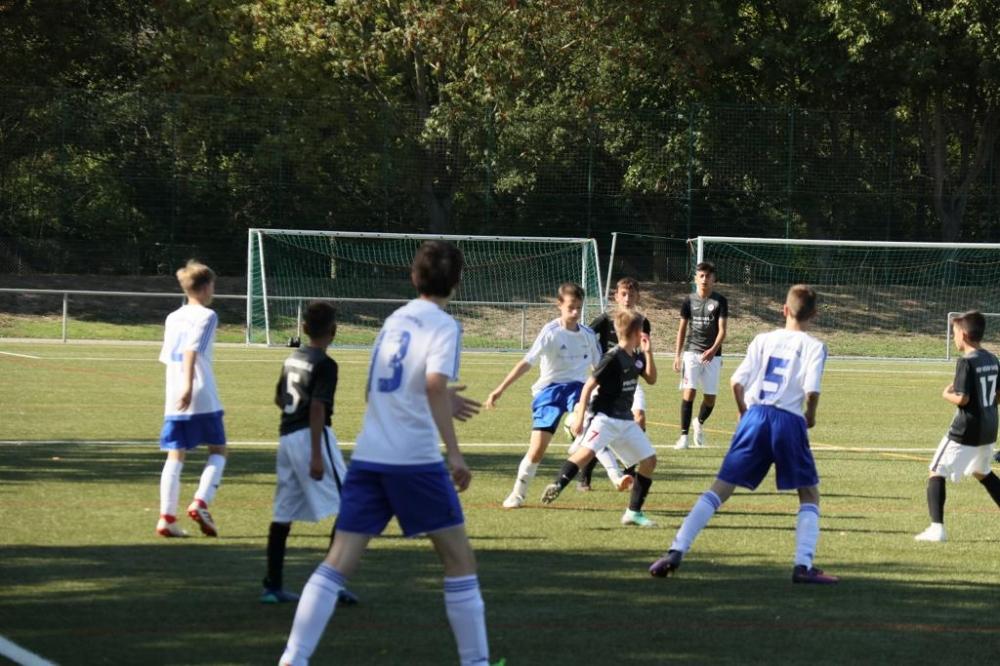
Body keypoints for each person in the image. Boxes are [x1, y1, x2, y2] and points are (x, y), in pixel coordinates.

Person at [278, 241, 497, 666]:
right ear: (458, 282)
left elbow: (374, 389)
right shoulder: (444, 325)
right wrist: (454, 454)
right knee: (459, 561)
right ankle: (476, 662)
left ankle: (293, 658)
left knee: (337, 562)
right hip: (414, 461)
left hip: (369, 456)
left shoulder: (394, 320)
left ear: (414, 277)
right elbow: (432, 385)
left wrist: (437, 398)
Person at [650, 284, 838, 584]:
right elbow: (811, 389)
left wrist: (742, 412)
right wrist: (811, 415)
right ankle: (803, 566)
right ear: (814, 315)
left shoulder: (762, 339)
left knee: (720, 489)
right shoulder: (814, 346)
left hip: (755, 417)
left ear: (784, 310)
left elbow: (736, 383)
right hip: (788, 421)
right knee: (808, 493)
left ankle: (676, 550)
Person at [261, 301, 358, 606]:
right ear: (334, 331)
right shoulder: (326, 364)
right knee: (350, 506)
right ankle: (332, 584)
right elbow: (317, 407)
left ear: (303, 328)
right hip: (311, 436)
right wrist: (316, 454)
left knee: (284, 512)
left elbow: (279, 397)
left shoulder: (293, 356)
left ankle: (272, 586)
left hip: (287, 436)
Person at [486, 283, 605, 509]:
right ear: (559, 305)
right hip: (550, 391)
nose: (575, 312)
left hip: (577, 389)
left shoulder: (588, 336)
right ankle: (517, 494)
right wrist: (500, 388)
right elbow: (527, 362)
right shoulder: (550, 332)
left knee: (590, 417)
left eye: (579, 308)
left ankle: (579, 437)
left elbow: (600, 370)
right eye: (571, 307)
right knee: (537, 450)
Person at [541, 310, 660, 527]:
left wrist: (649, 353)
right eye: (642, 330)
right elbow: (588, 386)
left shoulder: (638, 357)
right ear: (636, 332)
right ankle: (557, 485)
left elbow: (651, 379)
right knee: (585, 453)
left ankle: (633, 513)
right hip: (604, 418)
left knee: (649, 461)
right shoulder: (612, 357)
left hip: (626, 420)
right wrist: (579, 418)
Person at [156, 259, 227, 538]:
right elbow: (191, 350)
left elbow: (168, 357)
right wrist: (188, 385)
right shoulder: (207, 315)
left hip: (174, 393)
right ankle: (201, 502)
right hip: (198, 390)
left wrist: (179, 388)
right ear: (207, 287)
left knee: (176, 454)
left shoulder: (173, 317)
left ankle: (166, 518)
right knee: (218, 451)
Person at [914, 310, 1000, 542]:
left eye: (954, 334)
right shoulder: (992, 359)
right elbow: (998, 394)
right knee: (982, 471)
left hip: (966, 428)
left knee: (936, 470)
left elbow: (962, 398)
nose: (953, 339)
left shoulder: (966, 361)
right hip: (990, 427)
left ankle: (937, 528)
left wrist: (945, 394)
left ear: (963, 335)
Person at [575, 277, 651, 491]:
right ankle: (585, 478)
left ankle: (629, 471)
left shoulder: (642, 322)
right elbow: (584, 336)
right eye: (623, 294)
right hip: (605, 384)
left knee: (639, 418)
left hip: (630, 382)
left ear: (638, 297)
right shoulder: (604, 320)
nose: (627, 299)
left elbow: (642, 350)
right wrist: (592, 360)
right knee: (599, 431)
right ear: (616, 296)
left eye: (631, 295)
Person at [673, 261, 728, 450]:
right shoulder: (688, 300)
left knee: (710, 399)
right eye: (701, 276)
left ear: (714, 279)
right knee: (689, 392)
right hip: (691, 352)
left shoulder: (720, 301)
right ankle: (683, 437)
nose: (704, 279)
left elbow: (722, 331)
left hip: (713, 355)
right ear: (696, 278)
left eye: (708, 276)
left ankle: (699, 422)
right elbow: (681, 330)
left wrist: (713, 350)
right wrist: (677, 355)